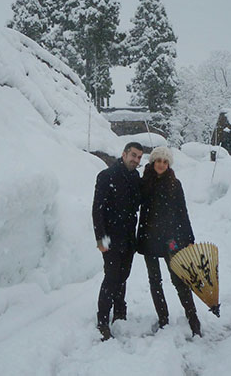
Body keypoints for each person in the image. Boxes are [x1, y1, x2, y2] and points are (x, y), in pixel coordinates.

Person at [136, 146, 201, 337]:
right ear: (153, 162)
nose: (162, 165)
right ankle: (163, 318)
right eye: (158, 161)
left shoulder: (175, 184)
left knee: (179, 279)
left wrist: (189, 238)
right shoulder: (144, 182)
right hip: (148, 239)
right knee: (154, 280)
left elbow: (182, 212)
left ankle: (193, 319)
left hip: (170, 240)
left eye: (165, 162)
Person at [92, 141, 143, 341]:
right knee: (111, 278)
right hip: (111, 239)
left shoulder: (135, 176)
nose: (136, 160)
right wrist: (101, 239)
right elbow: (97, 210)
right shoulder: (106, 176)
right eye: (133, 155)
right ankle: (103, 320)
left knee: (123, 276)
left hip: (129, 239)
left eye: (139, 157)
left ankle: (120, 311)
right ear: (123, 154)